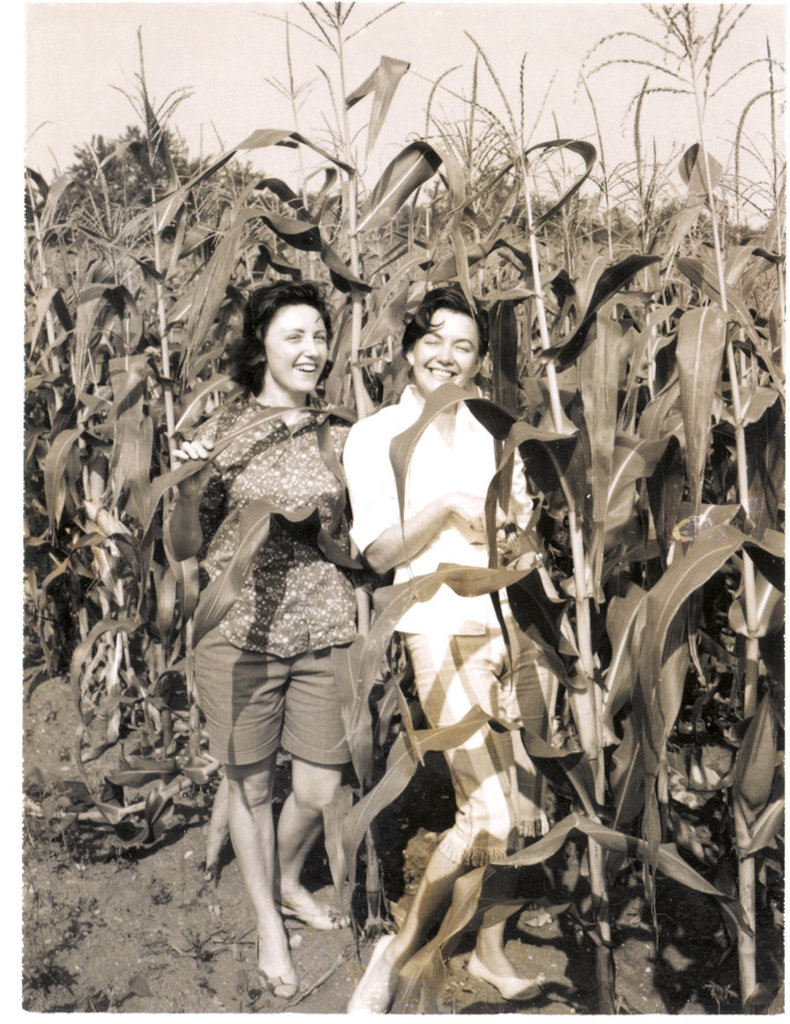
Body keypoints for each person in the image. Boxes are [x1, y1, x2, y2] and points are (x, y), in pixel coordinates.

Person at [342, 286, 558, 1012]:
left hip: (510, 626)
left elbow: (523, 531)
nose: (446, 355)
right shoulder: (377, 436)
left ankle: (490, 951)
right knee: (489, 813)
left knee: (524, 804)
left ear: (477, 361)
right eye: (433, 339)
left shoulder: (494, 430)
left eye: (464, 346)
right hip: (437, 624)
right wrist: (443, 509)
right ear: (409, 348)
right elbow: (375, 553)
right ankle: (398, 952)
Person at [169, 280, 357, 999]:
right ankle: (268, 923)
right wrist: (187, 488)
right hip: (240, 633)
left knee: (317, 785)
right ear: (261, 347)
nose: (312, 350)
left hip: (324, 630)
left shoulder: (337, 430)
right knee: (249, 789)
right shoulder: (225, 432)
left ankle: (283, 878)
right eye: (294, 337)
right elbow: (187, 549)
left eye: (319, 336)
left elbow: (355, 538)